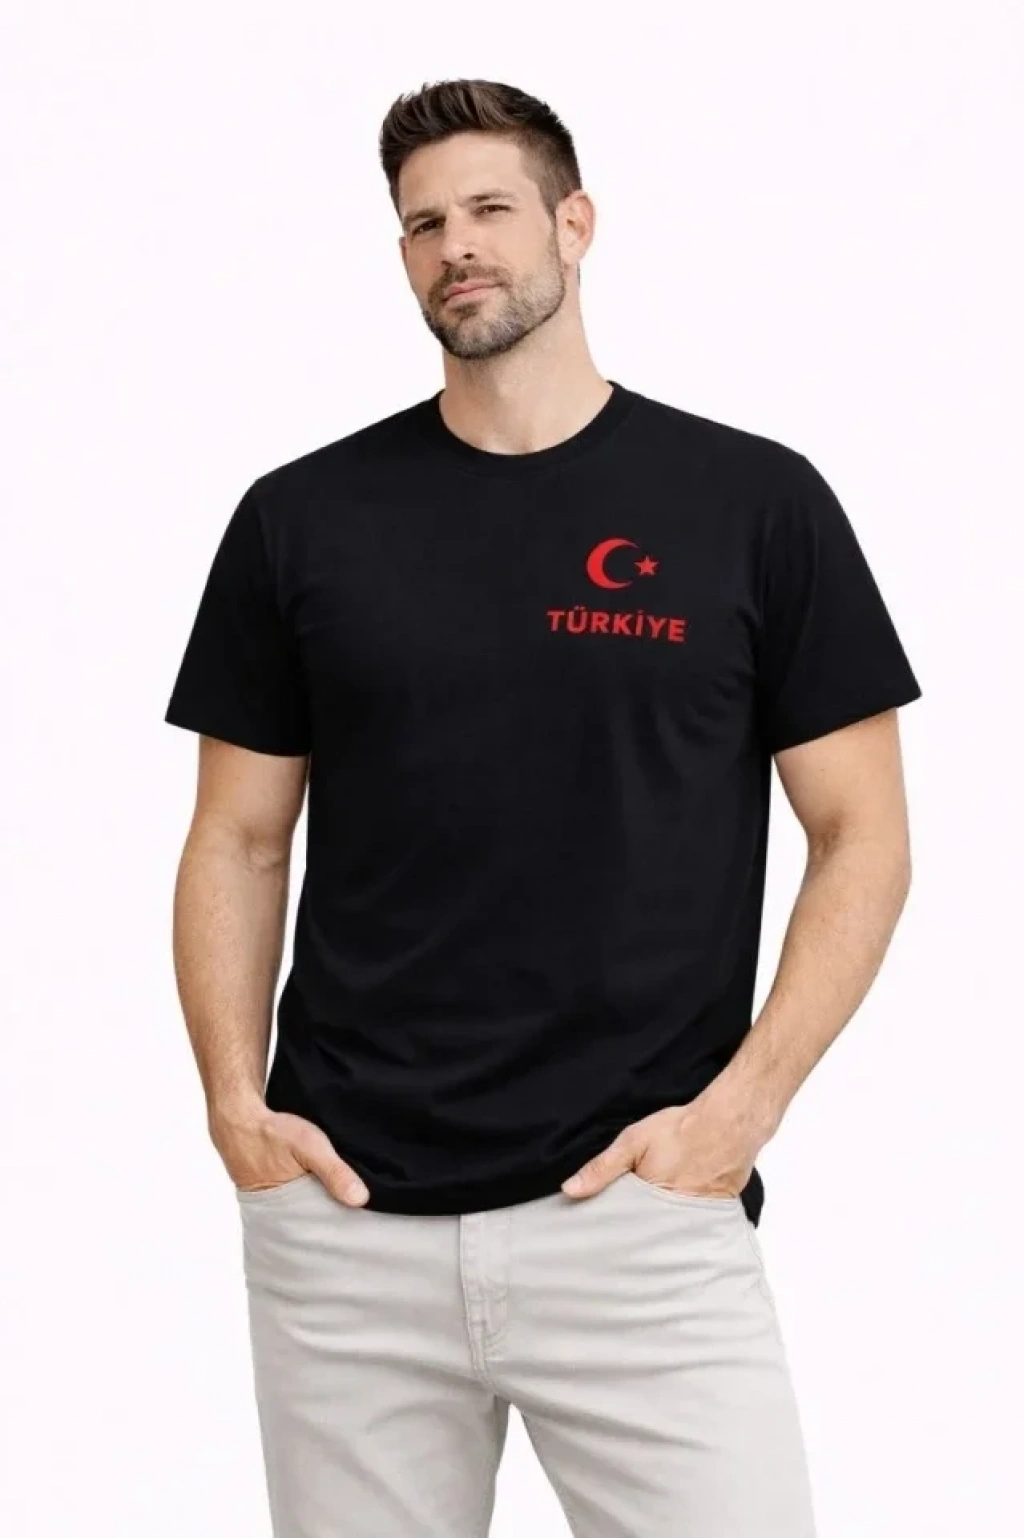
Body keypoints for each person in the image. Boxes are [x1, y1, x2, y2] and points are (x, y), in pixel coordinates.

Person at [164, 77, 922, 1538]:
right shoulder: (300, 519)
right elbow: (237, 838)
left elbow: (863, 835)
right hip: (346, 1224)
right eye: (422, 224)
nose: (457, 245)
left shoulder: (753, 504)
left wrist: (740, 1114)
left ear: (575, 224)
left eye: (490, 209)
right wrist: (234, 1110)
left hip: (640, 1212)